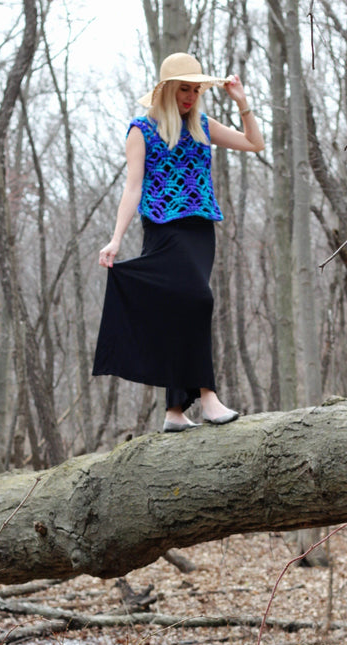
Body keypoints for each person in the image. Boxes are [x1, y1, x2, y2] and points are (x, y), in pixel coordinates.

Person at [92, 52, 264, 433]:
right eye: (183, 88)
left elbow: (255, 144)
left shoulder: (202, 124)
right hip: (163, 229)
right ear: (168, 90)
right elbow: (132, 187)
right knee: (196, 301)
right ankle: (207, 395)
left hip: (200, 230)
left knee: (183, 309)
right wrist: (116, 239)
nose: (190, 96)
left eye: (196, 89)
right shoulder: (142, 129)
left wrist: (242, 102)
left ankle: (174, 411)